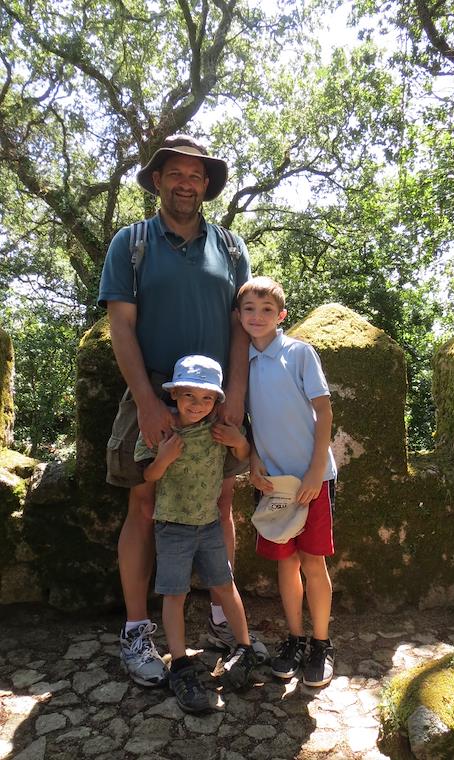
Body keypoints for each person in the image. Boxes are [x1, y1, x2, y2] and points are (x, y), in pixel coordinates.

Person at [98, 134, 264, 687]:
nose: (186, 183)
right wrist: (148, 403)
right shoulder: (132, 243)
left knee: (222, 501)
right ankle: (137, 630)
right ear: (158, 180)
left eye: (196, 175)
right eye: (176, 173)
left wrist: (236, 395)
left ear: (206, 185)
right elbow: (121, 326)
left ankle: (220, 616)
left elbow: (241, 328)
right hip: (155, 392)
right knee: (144, 506)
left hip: (216, 398)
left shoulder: (231, 248)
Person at [133, 354, 258, 712]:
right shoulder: (162, 430)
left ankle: (245, 649)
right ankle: (180, 663)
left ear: (216, 401)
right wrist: (164, 458)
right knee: (174, 594)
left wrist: (237, 440)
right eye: (189, 395)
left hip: (209, 524)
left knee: (225, 584)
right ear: (174, 394)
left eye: (206, 398)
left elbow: (244, 454)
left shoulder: (216, 428)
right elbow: (147, 475)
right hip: (173, 526)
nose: (197, 404)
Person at [237, 276, 338, 688]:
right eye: (249, 309)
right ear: (238, 315)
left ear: (281, 316)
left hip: (312, 479)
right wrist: (254, 462)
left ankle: (321, 643)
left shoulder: (299, 353)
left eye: (266, 310)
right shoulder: (242, 363)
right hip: (275, 483)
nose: (257, 316)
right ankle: (295, 639)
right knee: (286, 561)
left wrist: (315, 471)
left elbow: (324, 412)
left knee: (313, 561)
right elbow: (251, 420)